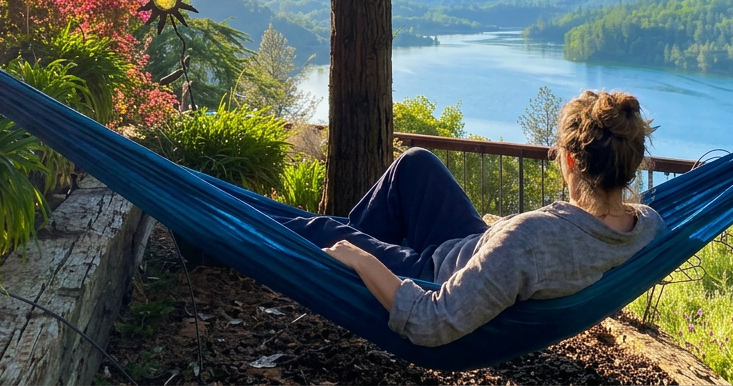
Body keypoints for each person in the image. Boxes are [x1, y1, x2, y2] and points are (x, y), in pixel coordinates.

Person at [277, 89, 665, 347]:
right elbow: (522, 251)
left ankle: (239, 240)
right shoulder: (647, 226)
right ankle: (341, 287)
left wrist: (361, 259)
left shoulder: (529, 240)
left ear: (569, 160)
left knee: (328, 233)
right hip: (477, 246)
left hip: (435, 272)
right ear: (631, 166)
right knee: (416, 164)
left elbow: (434, 321)